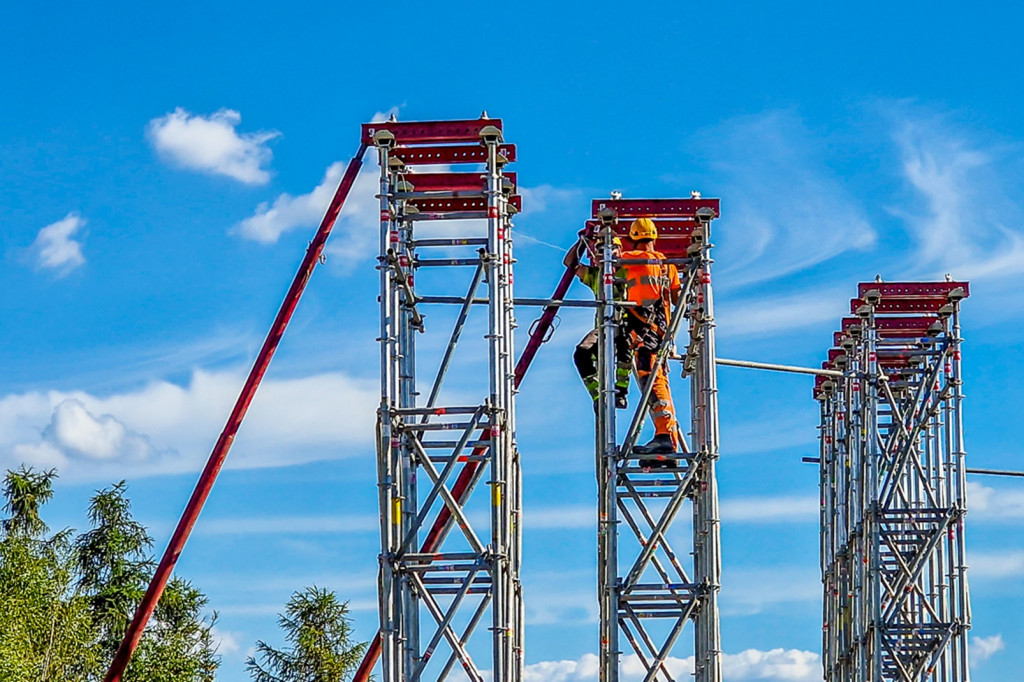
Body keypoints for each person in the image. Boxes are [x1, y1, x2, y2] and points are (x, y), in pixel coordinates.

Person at [620, 218, 682, 462]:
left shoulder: (633, 259)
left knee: (653, 383)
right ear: (654, 238)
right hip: (661, 331)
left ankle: (665, 437)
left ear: (634, 238)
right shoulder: (668, 266)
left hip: (645, 332)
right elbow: (677, 297)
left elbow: (610, 261)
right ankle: (667, 442)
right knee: (659, 383)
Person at [565, 236, 632, 411]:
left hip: (627, 323)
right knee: (582, 352)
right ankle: (598, 395)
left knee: (626, 348)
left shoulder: (629, 270)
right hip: (603, 326)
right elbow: (570, 264)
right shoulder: (596, 275)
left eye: (610, 249)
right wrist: (581, 241)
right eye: (600, 250)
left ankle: (621, 391)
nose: (604, 254)